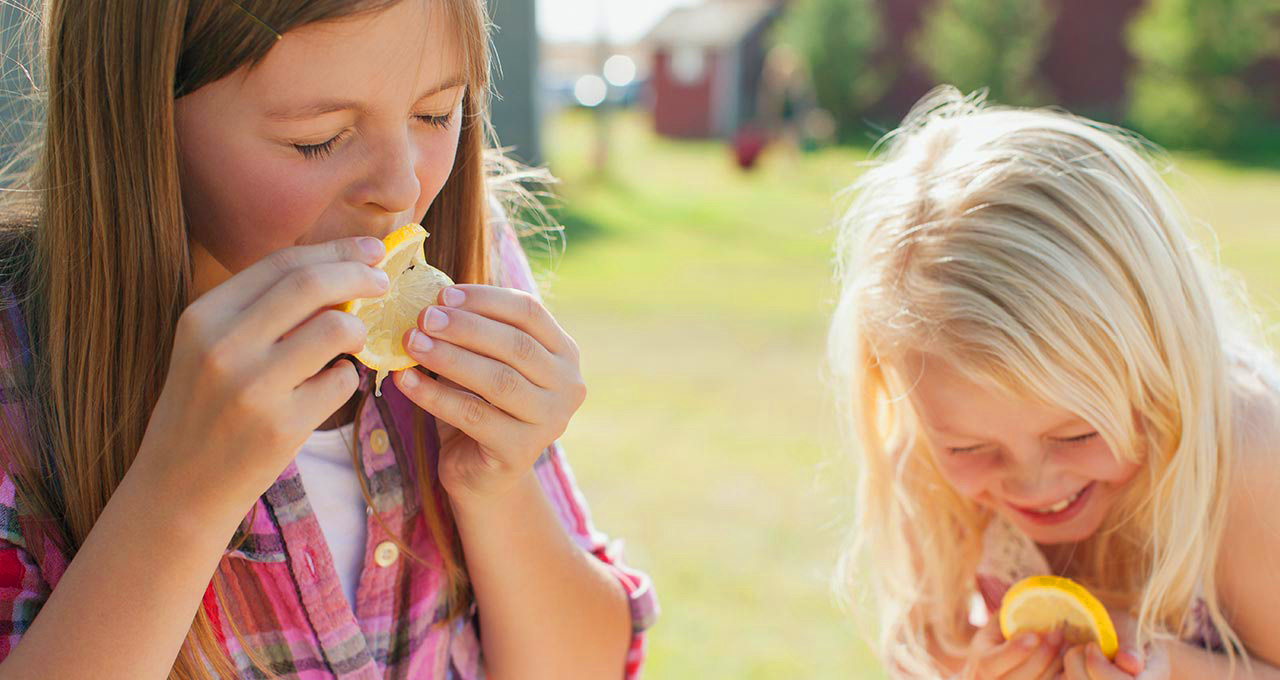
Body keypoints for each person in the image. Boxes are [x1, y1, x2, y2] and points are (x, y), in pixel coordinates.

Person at [0, 1, 656, 678]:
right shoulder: (18, 369)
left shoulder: (469, 260)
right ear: (139, 116)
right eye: (318, 139)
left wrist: (496, 486)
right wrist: (180, 501)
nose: (401, 187)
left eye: (436, 113)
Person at [828, 86, 1280, 679]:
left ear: (1162, 363)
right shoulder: (927, 458)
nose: (1032, 482)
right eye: (970, 448)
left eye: (1076, 435)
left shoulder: (1247, 458)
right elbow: (922, 648)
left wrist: (1171, 668)